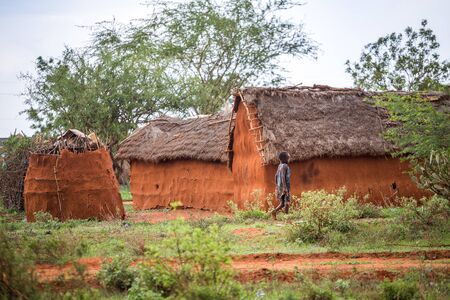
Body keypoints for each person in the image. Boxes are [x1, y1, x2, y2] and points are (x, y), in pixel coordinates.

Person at [271, 151, 291, 220]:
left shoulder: (279, 166)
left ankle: (274, 212)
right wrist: (285, 188)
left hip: (280, 187)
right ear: (284, 158)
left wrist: (277, 186)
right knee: (287, 203)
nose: (289, 159)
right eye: (288, 158)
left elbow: (275, 175)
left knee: (282, 203)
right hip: (284, 187)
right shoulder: (285, 166)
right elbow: (282, 176)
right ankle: (286, 218)